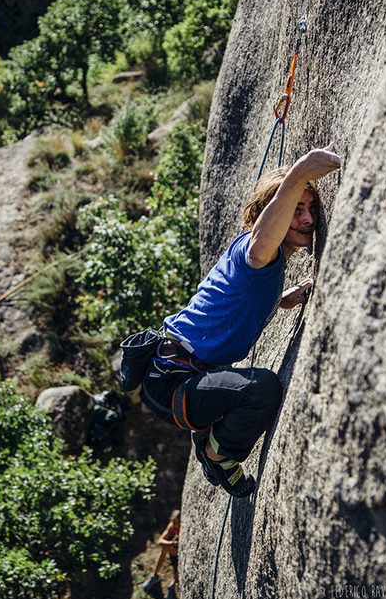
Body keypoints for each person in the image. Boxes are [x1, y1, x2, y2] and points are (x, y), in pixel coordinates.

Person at [122, 143, 341, 498]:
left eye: (311, 208)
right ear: (270, 214)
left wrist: (280, 301)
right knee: (261, 390)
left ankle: (212, 430)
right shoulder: (253, 251)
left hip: (181, 371)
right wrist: (300, 172)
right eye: (295, 209)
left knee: (250, 389)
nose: (307, 220)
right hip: (173, 378)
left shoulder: (264, 265)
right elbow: (259, 246)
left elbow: (234, 300)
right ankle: (215, 453)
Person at [142, 509, 180, 599]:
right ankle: (154, 576)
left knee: (179, 567)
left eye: (178, 522)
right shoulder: (172, 526)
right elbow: (159, 541)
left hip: (181, 552)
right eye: (175, 522)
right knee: (164, 549)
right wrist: (172, 543)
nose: (176, 525)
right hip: (175, 548)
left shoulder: (184, 528)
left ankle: (172, 585)